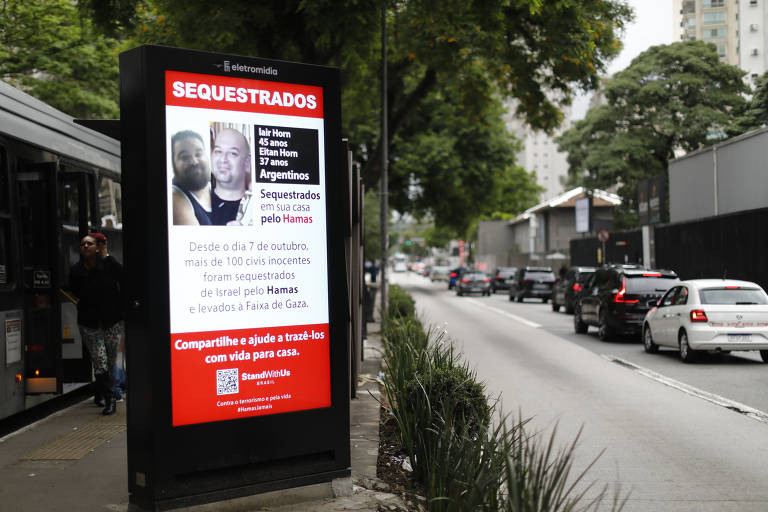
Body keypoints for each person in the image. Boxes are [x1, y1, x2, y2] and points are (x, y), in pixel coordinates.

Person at [68, 233, 123, 415]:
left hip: (111, 321)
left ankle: (100, 392)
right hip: (89, 323)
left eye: (89, 244)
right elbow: (76, 291)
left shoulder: (109, 264)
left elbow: (122, 276)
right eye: (83, 244)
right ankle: (110, 400)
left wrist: (106, 255)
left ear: (98, 247)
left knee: (110, 359)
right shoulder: (76, 271)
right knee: (100, 360)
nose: (85, 247)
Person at [210, 127, 251, 225]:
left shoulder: (255, 207)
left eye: (233, 153)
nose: (223, 159)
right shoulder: (196, 206)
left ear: (247, 163)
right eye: (218, 151)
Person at [171, 130, 213, 225]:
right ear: (173, 164)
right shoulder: (174, 198)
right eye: (185, 157)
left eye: (198, 154)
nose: (194, 161)